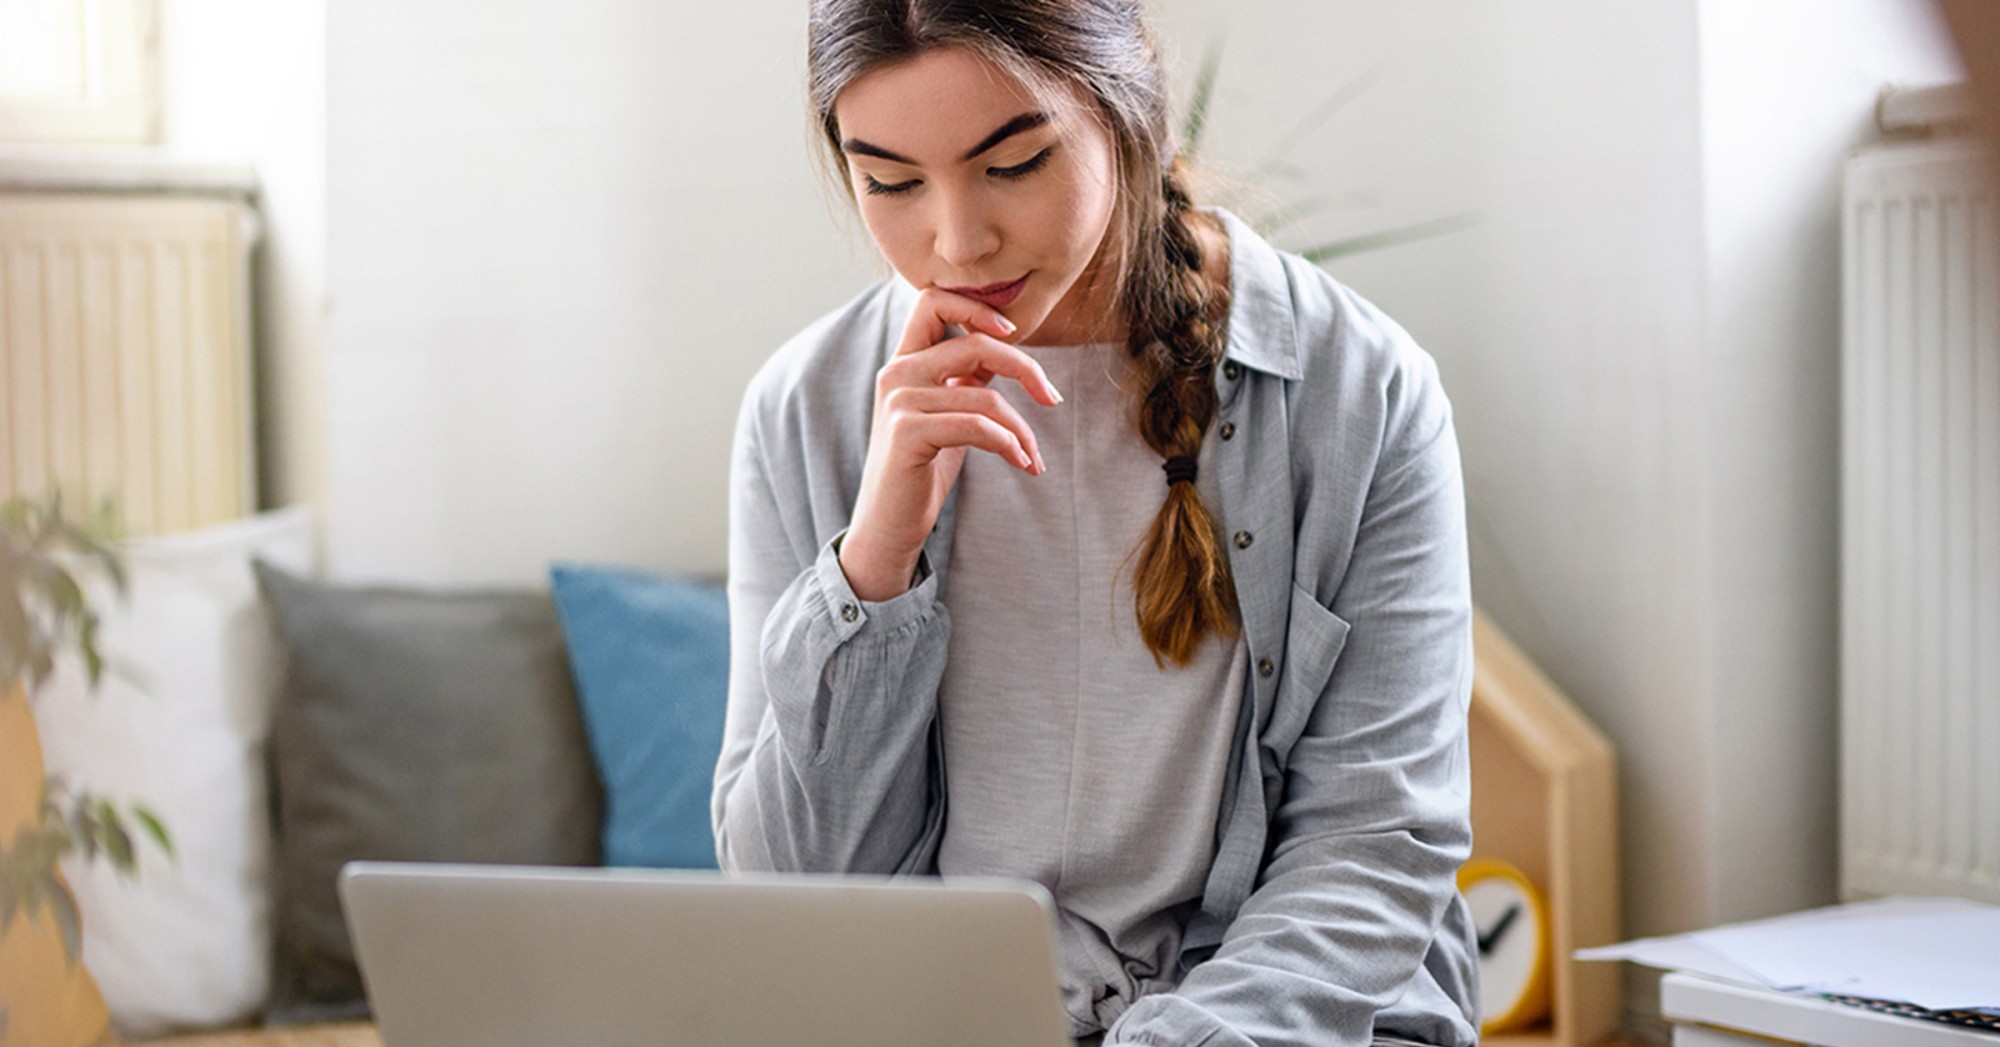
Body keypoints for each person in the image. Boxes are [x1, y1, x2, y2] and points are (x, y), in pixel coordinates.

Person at [710, 3, 1480, 1044]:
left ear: (1129, 118)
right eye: (889, 181)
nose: (954, 237)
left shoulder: (1364, 392)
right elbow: (793, 890)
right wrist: (873, 562)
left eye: (1013, 163)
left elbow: (1374, 847)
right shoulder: (803, 410)